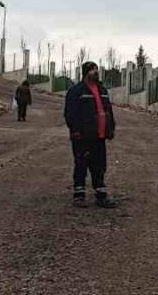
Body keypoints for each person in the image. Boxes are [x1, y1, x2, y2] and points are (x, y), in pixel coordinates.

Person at [64, 61, 117, 208]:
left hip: (99, 136)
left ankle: (101, 195)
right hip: (83, 136)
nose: (96, 72)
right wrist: (75, 130)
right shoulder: (76, 91)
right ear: (86, 72)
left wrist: (111, 128)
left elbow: (108, 111)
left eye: (96, 70)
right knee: (81, 164)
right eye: (93, 70)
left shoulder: (102, 90)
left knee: (99, 165)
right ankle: (79, 195)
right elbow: (70, 113)